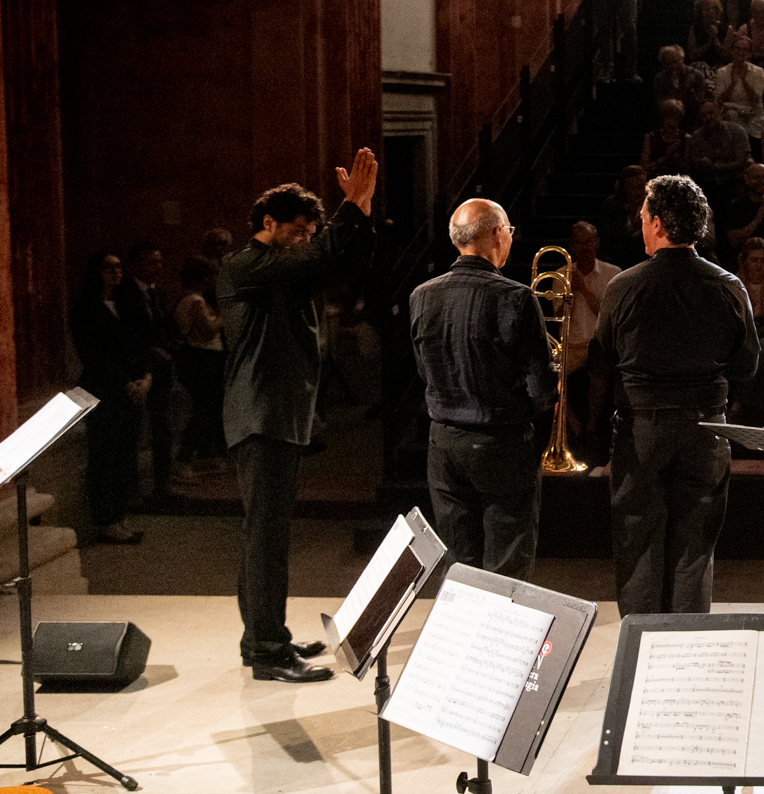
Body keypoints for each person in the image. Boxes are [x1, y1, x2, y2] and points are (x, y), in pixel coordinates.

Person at [220, 149, 378, 681]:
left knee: (270, 535)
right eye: (299, 229)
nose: (308, 237)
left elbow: (339, 264)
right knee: (265, 537)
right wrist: (347, 209)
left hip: (279, 418)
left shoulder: (284, 272)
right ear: (269, 224)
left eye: (314, 229)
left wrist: (361, 212)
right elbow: (316, 259)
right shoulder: (246, 265)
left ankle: (266, 637)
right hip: (260, 417)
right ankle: (265, 650)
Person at [592, 175, 759, 616]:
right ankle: (684, 657)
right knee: (694, 549)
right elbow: (748, 365)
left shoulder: (623, 286)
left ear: (660, 223)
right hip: (706, 428)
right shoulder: (727, 285)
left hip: (641, 430)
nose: (641, 225)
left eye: (644, 218)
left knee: (638, 544)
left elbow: (602, 358)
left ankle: (641, 654)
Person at [411, 200, 555, 580]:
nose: (510, 236)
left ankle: (462, 638)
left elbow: (425, 371)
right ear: (496, 233)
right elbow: (542, 389)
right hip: (501, 442)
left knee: (459, 564)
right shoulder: (516, 297)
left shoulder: (421, 296)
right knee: (507, 564)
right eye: (509, 229)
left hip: (442, 443)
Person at [71, 251, 149, 544]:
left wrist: (144, 378)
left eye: (118, 267)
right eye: (108, 267)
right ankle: (105, 518)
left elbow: (140, 344)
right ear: (97, 272)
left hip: (132, 388)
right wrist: (126, 382)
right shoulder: (86, 308)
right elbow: (93, 354)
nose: (115, 272)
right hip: (102, 388)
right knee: (104, 454)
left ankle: (119, 514)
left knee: (125, 454)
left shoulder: (127, 304)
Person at [120, 240, 183, 497]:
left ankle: (163, 483)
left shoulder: (157, 292)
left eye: (158, 261)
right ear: (135, 264)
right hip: (137, 366)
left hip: (161, 364)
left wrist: (172, 343)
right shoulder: (125, 293)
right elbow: (129, 331)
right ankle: (131, 487)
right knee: (132, 427)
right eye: (149, 261)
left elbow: (164, 323)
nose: (156, 267)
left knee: (163, 424)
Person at [563, 221, 622, 462]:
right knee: (549, 379)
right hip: (572, 345)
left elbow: (609, 315)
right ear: (572, 246)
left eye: (589, 241)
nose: (585, 247)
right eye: (580, 242)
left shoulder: (613, 273)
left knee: (600, 371)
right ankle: (574, 426)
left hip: (600, 343)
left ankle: (591, 426)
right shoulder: (561, 274)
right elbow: (561, 317)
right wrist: (571, 292)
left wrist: (584, 289)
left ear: (597, 243)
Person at [173, 255, 227, 477]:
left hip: (202, 358)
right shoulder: (195, 301)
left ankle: (206, 455)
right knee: (204, 409)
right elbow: (206, 331)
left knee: (208, 408)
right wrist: (224, 317)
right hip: (201, 359)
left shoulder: (190, 299)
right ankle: (183, 459)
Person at [689, 99, 752, 207]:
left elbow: (741, 162)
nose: (708, 117)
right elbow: (696, 165)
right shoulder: (696, 137)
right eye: (703, 115)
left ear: (719, 112)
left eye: (711, 113)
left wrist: (715, 166)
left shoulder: (737, 132)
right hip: (708, 183)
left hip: (733, 180)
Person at [714, 30, 764, 141]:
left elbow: (756, 99)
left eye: (744, 50)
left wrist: (743, 80)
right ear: (732, 51)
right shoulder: (722, 72)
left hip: (752, 116)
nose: (740, 52)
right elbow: (719, 100)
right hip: (730, 116)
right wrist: (733, 83)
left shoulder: (758, 72)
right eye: (737, 49)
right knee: (731, 116)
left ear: (749, 53)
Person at [598, 165, 650, 268]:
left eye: (641, 186)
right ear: (624, 188)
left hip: (645, 261)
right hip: (617, 260)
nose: (638, 191)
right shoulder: (612, 205)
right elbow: (607, 237)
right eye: (633, 187)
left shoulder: (652, 205)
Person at [640, 99, 691, 179]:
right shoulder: (651, 137)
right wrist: (666, 157)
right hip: (655, 179)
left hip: (678, 181)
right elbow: (644, 168)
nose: (671, 122)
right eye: (668, 117)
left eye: (675, 118)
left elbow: (688, 169)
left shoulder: (685, 138)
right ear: (662, 118)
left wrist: (677, 157)